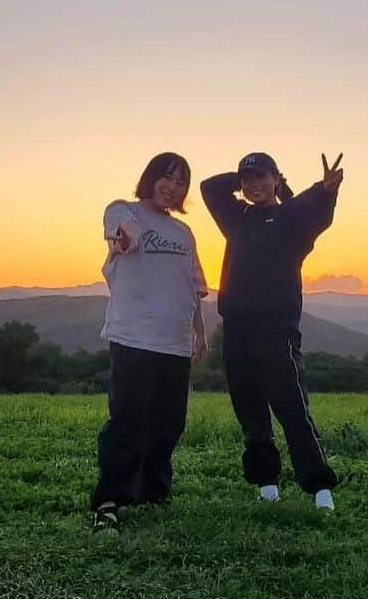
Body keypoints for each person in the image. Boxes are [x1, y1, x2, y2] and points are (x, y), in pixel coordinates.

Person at [200, 151, 344, 510]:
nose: (252, 185)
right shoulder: (237, 218)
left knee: (292, 407)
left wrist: (323, 190)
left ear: (277, 178)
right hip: (236, 330)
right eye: (247, 179)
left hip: (277, 330)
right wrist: (243, 179)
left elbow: (315, 212)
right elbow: (209, 188)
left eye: (261, 177)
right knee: (250, 411)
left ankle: (319, 488)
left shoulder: (290, 220)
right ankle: (267, 485)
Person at [91, 152, 208, 531]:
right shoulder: (123, 210)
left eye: (180, 183)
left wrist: (200, 333)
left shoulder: (184, 234)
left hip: (175, 341)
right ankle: (109, 499)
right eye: (166, 177)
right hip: (134, 337)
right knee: (127, 421)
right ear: (151, 177)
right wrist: (125, 236)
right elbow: (121, 236)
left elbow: (192, 287)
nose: (171, 188)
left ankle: (154, 493)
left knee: (168, 423)